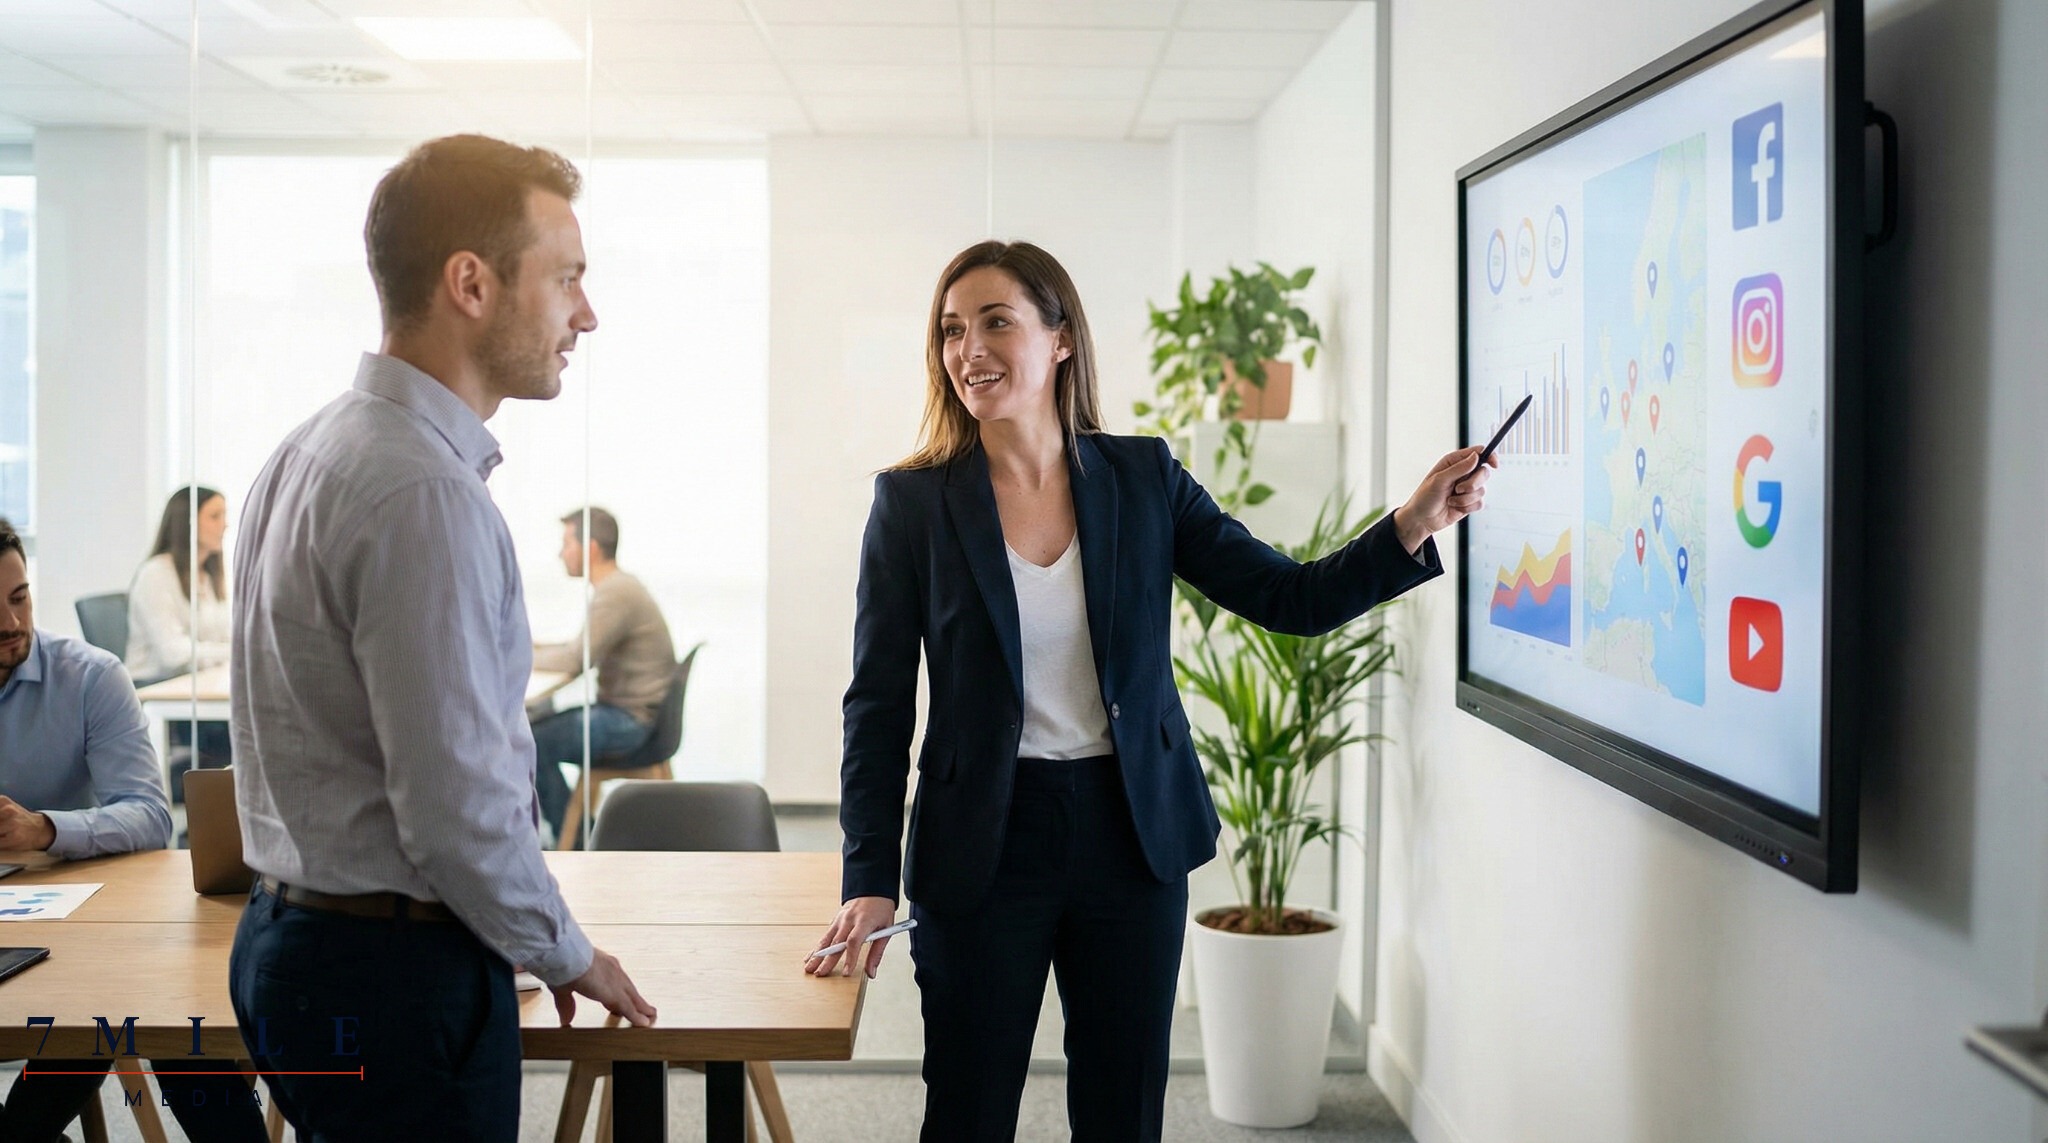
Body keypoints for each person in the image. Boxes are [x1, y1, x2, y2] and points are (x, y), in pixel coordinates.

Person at [807, 240, 1493, 1141]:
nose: (969, 347)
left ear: (1060, 339)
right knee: (968, 1109)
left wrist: (1411, 523)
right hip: (982, 842)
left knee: (1123, 1113)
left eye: (996, 321)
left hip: (1128, 834)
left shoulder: (1142, 478)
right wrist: (867, 875)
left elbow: (1287, 596)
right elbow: (879, 701)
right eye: (951, 329)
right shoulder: (913, 503)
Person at [227, 134, 654, 1142]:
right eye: (566, 280)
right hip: (389, 974)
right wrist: (566, 950)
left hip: (292, 936)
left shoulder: (308, 448)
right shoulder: (423, 493)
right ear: (471, 283)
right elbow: (454, 804)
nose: (584, 315)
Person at [0, 518, 267, 1143]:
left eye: (19, 598)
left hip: (86, 931)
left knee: (157, 1024)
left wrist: (44, 829)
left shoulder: (90, 677)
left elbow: (149, 816)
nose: (12, 625)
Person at [530, 506, 677, 841]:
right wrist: (533, 650)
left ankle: (577, 840)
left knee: (531, 740)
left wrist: (519, 654)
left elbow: (574, 660)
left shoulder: (615, 594)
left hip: (630, 722)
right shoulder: (619, 588)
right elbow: (578, 649)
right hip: (637, 715)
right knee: (538, 717)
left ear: (591, 548)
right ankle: (574, 832)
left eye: (567, 543)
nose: (560, 553)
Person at [127, 484, 234, 780]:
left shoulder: (208, 574)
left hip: (190, 685)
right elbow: (173, 653)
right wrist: (235, 652)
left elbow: (223, 637)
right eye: (215, 515)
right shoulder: (156, 574)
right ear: (188, 521)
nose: (225, 524)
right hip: (159, 687)